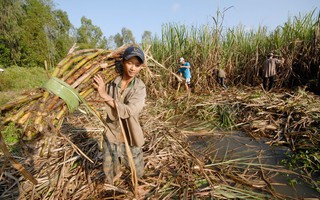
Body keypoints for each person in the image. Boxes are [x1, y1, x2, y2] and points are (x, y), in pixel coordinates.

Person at [93, 45, 146, 184]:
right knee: (109, 165)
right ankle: (112, 181)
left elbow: (129, 111)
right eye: (130, 63)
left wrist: (105, 96)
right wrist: (101, 89)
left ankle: (136, 182)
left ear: (141, 67)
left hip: (131, 132)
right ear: (123, 62)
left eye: (137, 65)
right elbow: (98, 89)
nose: (133, 68)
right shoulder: (112, 82)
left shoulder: (139, 87)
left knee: (137, 169)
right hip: (112, 130)